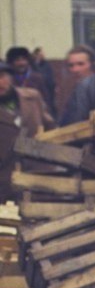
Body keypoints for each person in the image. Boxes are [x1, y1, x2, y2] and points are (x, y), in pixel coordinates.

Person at [0, 61, 54, 201]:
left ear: (11, 77)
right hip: (6, 177)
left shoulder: (32, 97)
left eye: (2, 76)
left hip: (39, 172)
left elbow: (49, 126)